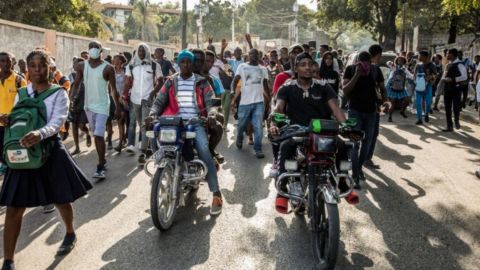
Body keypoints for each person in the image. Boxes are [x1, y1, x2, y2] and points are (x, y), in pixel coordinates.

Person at [0, 49, 92, 270]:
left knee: (61, 198)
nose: (37, 69)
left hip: (49, 150)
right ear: (28, 69)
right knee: (14, 208)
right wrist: (8, 120)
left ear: (50, 68)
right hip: (24, 152)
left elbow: (57, 121)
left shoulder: (58, 93)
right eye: (33, 66)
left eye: (42, 65)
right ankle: (8, 260)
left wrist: (39, 134)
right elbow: (18, 118)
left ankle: (70, 232)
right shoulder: (22, 93)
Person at [269, 53, 354, 210]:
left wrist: (346, 126)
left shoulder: (323, 87)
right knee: (285, 146)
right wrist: (274, 122)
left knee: (342, 145)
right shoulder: (287, 87)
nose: (308, 67)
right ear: (296, 68)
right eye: (303, 64)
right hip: (297, 131)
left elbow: (336, 109)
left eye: (310, 64)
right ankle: (282, 192)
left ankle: (343, 183)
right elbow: (279, 107)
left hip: (322, 132)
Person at [146, 50, 223, 215]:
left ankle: (216, 193)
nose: (186, 65)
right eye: (183, 62)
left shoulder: (202, 82)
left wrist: (211, 115)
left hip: (195, 123)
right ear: (178, 64)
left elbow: (211, 103)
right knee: (154, 137)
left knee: (204, 150)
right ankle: (160, 172)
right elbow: (159, 101)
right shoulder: (170, 81)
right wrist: (152, 114)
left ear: (192, 63)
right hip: (172, 122)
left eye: (189, 62)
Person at [71, 41, 122, 179]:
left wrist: (117, 107)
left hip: (102, 106)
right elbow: (76, 84)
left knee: (99, 135)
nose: (93, 50)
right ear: (88, 50)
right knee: (96, 135)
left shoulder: (108, 68)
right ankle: (103, 160)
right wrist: (72, 99)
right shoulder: (82, 66)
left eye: (96, 47)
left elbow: (113, 89)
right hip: (89, 106)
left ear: (101, 50)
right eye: (91, 47)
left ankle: (100, 166)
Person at [343, 51, 389, 189]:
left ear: (371, 62)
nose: (365, 65)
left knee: (367, 142)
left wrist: (385, 102)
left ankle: (360, 168)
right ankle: (355, 176)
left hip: (371, 112)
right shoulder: (350, 70)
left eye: (367, 62)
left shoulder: (375, 70)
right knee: (355, 144)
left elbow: (382, 88)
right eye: (362, 62)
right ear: (357, 61)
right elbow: (345, 90)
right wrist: (357, 74)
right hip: (355, 111)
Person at [124, 43, 163, 164]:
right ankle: (149, 145)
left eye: (143, 51)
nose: (141, 53)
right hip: (135, 99)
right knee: (139, 123)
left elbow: (160, 81)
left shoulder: (154, 65)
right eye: (139, 51)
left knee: (145, 124)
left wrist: (153, 93)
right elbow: (127, 82)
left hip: (147, 98)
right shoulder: (131, 66)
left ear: (147, 52)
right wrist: (123, 95)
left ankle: (142, 152)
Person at [231, 49, 269, 159]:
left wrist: (269, 100)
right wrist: (233, 91)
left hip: (259, 102)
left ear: (259, 56)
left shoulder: (263, 69)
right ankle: (239, 139)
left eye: (256, 54)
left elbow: (265, 84)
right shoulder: (242, 67)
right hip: (244, 102)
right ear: (248, 55)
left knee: (258, 127)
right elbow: (235, 79)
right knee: (241, 125)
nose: (254, 56)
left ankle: (258, 149)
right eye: (252, 54)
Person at [0, 52, 27, 177]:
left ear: (13, 62)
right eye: (2, 61)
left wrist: (12, 117)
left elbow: (25, 103)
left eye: (8, 61)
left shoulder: (19, 81)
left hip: (14, 125)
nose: (5, 64)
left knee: (15, 153)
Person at [364, 44, 388, 170]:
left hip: (360, 107)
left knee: (366, 134)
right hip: (372, 106)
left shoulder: (353, 67)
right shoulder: (375, 69)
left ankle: (362, 160)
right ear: (378, 55)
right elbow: (382, 88)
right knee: (372, 133)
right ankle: (366, 159)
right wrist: (385, 102)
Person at [68, 58, 92, 156]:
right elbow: (71, 90)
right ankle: (77, 147)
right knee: (74, 126)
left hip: (84, 106)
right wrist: (70, 102)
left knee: (82, 126)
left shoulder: (88, 77)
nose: (75, 66)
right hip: (74, 105)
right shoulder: (72, 76)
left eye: (77, 64)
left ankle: (87, 133)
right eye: (74, 64)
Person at [442, 48, 468, 132]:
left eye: (448, 53)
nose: (446, 55)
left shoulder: (460, 64)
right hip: (447, 89)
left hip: (456, 88)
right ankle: (449, 126)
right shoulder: (448, 64)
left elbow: (464, 77)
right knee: (447, 108)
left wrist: (453, 79)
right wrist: (444, 79)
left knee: (456, 107)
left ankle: (456, 121)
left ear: (452, 55)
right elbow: (444, 76)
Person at [413, 50, 437, 125]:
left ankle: (426, 113)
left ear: (425, 57)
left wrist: (431, 79)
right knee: (418, 103)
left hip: (428, 87)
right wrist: (415, 82)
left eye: (420, 56)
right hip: (418, 88)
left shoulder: (432, 65)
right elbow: (414, 75)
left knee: (428, 102)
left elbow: (435, 75)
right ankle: (419, 119)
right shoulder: (418, 65)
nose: (419, 57)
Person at [112, 54, 129, 152]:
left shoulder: (126, 71)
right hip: (114, 99)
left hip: (125, 98)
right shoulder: (111, 70)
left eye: (116, 58)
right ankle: (122, 141)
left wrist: (123, 96)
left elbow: (128, 84)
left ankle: (122, 140)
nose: (113, 60)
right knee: (120, 120)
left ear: (121, 61)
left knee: (124, 119)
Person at [386, 56, 410, 122]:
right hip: (393, 88)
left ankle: (402, 111)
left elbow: (410, 75)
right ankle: (390, 117)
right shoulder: (394, 67)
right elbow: (387, 63)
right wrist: (391, 63)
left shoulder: (404, 69)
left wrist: (416, 79)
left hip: (401, 88)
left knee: (407, 100)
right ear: (396, 61)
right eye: (399, 60)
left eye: (402, 60)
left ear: (404, 62)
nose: (400, 61)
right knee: (393, 103)